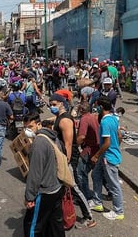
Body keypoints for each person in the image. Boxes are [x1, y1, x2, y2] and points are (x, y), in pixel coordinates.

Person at [49, 93, 95, 229]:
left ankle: (89, 217)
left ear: (61, 104)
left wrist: (66, 162)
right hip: (63, 157)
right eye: (50, 105)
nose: (52, 107)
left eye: (54, 105)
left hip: (68, 158)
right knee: (65, 188)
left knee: (74, 187)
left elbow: (68, 144)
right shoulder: (60, 117)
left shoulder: (65, 120)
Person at [23, 112, 65, 237]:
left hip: (46, 191)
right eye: (26, 128)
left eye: (30, 127)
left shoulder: (39, 143)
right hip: (57, 187)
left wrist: (29, 197)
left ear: (39, 124)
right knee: (55, 224)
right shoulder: (54, 137)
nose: (27, 131)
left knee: (33, 226)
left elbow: (35, 174)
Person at [89, 95, 125, 220]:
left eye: (96, 106)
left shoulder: (105, 121)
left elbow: (107, 143)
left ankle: (118, 211)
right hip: (108, 154)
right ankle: (97, 202)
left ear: (100, 107)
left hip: (108, 156)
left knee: (114, 185)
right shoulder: (114, 118)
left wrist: (96, 155)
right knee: (95, 175)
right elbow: (119, 136)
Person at [76, 100, 99, 202]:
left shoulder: (84, 119)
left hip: (89, 150)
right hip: (95, 148)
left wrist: (74, 145)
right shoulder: (92, 117)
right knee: (96, 172)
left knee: (80, 172)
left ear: (81, 109)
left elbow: (81, 136)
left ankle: (85, 195)